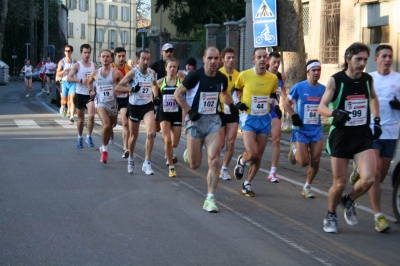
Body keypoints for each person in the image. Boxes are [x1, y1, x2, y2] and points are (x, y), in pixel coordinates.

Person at [317, 42, 381, 234]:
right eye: (358, 59)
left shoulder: (368, 80)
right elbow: (321, 107)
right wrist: (334, 112)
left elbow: (373, 98)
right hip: (341, 135)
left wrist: (376, 120)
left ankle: (349, 200)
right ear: (348, 59)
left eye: (364, 60)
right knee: (340, 182)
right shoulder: (336, 80)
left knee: (369, 179)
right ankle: (331, 214)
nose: (362, 63)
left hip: (361, 134)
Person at [175, 46, 238, 212]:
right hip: (195, 120)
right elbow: (178, 94)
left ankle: (210, 198)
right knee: (195, 164)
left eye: (216, 58)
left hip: (213, 120)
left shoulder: (222, 78)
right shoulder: (195, 77)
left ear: (220, 60)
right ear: (204, 59)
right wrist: (189, 111)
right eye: (210, 58)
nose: (213, 62)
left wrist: (232, 105)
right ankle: (190, 152)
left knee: (214, 159)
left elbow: (223, 93)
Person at [350, 45, 400, 232]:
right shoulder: (368, 79)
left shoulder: (398, 79)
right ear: (376, 59)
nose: (388, 59)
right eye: (384, 56)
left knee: (379, 178)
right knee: (376, 174)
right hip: (371, 131)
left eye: (390, 56)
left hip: (391, 133)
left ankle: (359, 173)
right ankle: (378, 216)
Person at [232, 48, 278, 197]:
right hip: (249, 118)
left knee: (258, 156)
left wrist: (276, 106)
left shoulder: (272, 78)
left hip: (264, 119)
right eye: (259, 57)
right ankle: (242, 159)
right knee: (252, 153)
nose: (263, 59)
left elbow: (273, 95)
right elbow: (234, 90)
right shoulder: (244, 75)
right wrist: (238, 103)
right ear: (254, 60)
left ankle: (247, 183)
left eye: (265, 57)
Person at [283, 60, 325, 198]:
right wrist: (294, 115)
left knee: (316, 160)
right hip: (301, 129)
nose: (316, 73)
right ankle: (293, 148)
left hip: (316, 129)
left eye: (318, 70)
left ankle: (307, 187)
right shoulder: (299, 87)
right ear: (308, 72)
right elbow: (285, 103)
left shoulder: (323, 89)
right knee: (303, 162)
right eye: (314, 70)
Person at [115, 49, 158, 175]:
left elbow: (155, 85)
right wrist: (132, 88)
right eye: (143, 59)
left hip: (147, 106)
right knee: (133, 137)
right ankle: (131, 157)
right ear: (138, 60)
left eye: (148, 59)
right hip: (134, 107)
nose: (146, 62)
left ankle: (147, 162)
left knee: (151, 133)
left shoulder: (151, 73)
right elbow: (118, 87)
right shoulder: (133, 73)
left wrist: (156, 96)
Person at [88, 49, 123, 163]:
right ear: (99, 58)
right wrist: (91, 91)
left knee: (112, 125)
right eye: (103, 56)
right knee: (106, 125)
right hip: (100, 102)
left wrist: (120, 90)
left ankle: (109, 134)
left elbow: (124, 84)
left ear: (111, 58)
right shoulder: (95, 73)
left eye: (107, 56)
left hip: (113, 103)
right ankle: (104, 151)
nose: (105, 58)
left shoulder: (116, 73)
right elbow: (89, 82)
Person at [67, 44, 97, 148]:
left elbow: (97, 79)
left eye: (88, 52)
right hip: (80, 94)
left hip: (90, 94)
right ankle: (80, 137)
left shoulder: (93, 65)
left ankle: (88, 136)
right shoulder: (77, 65)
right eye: (85, 53)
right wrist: (80, 80)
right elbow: (68, 78)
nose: (87, 55)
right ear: (81, 53)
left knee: (92, 116)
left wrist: (95, 87)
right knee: (81, 119)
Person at [156, 58, 182, 177]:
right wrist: (155, 97)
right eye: (170, 67)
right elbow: (152, 87)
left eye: (174, 67)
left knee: (175, 143)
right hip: (164, 113)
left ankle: (169, 152)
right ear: (166, 68)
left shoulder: (180, 82)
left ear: (177, 69)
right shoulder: (161, 82)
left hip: (176, 113)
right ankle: (171, 166)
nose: (172, 69)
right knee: (167, 140)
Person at [218, 47, 240, 180]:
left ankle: (224, 169)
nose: (231, 60)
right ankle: (214, 163)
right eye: (228, 58)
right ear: (222, 60)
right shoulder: (217, 73)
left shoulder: (239, 75)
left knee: (230, 142)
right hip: (219, 111)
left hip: (233, 112)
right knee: (220, 144)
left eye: (233, 58)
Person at [266, 51, 286, 182]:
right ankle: (246, 158)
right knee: (255, 146)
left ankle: (272, 172)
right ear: (268, 62)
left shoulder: (281, 76)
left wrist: (288, 100)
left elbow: (283, 93)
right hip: (260, 111)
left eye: (279, 62)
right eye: (274, 62)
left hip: (275, 110)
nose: (276, 65)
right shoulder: (262, 75)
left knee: (276, 140)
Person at [111, 47, 131, 158]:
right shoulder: (111, 68)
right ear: (115, 57)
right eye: (119, 56)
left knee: (125, 122)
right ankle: (110, 131)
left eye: (123, 56)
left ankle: (125, 148)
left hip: (124, 98)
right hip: (112, 98)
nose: (121, 58)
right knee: (111, 124)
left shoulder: (129, 69)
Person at [56, 45, 76, 124]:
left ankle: (71, 117)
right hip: (64, 82)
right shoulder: (61, 62)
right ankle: (63, 106)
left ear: (71, 52)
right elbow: (58, 73)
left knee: (72, 99)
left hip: (72, 82)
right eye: (66, 51)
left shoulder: (75, 62)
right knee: (64, 100)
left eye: (69, 51)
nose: (67, 52)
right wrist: (64, 71)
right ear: (64, 52)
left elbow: (79, 71)